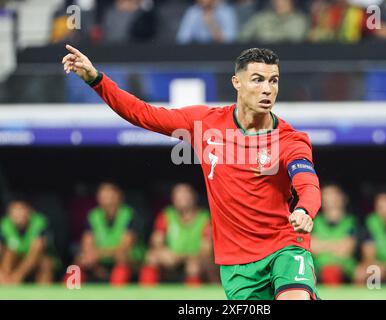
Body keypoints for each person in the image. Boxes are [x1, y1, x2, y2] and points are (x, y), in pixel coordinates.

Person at [61, 45, 322, 300]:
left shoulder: (290, 140)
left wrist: (304, 210)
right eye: (258, 80)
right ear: (236, 82)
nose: (267, 89)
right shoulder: (205, 122)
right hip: (238, 264)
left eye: (273, 81)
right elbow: (143, 113)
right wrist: (96, 80)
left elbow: (308, 184)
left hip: (286, 246)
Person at [139, 183, 212, 286]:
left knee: (193, 266)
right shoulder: (166, 215)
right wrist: (164, 251)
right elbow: (157, 241)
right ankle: (146, 294)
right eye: (178, 195)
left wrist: (181, 256)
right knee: (151, 257)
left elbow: (206, 250)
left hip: (195, 259)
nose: (182, 198)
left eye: (185, 194)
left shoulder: (204, 218)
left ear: (194, 197)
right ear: (173, 199)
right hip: (172, 258)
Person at [75, 182, 136, 285]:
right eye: (103, 196)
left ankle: (116, 292)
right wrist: (92, 258)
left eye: (110, 196)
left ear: (119, 197)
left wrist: (100, 254)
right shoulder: (93, 215)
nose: (107, 200)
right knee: (80, 260)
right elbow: (87, 244)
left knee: (122, 258)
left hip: (121, 259)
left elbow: (125, 246)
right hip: (99, 260)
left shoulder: (128, 214)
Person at [311, 184, 357, 285]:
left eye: (334, 196)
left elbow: (345, 250)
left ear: (343, 198)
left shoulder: (351, 222)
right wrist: (336, 245)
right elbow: (312, 247)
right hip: (318, 267)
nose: (331, 200)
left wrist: (322, 245)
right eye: (326, 196)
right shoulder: (314, 221)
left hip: (345, 268)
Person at [0, 199, 55, 284]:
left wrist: (18, 275)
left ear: (29, 211)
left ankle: (43, 295)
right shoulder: (4, 224)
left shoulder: (39, 222)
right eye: (15, 210)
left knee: (46, 263)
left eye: (21, 210)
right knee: (9, 253)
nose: (19, 214)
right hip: (14, 260)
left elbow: (39, 247)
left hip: (35, 260)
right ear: (9, 213)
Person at [239, 0, 309, 44]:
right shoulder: (262, 17)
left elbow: (295, 38)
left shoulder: (299, 20)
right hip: (261, 58)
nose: (280, 3)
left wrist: (267, 36)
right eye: (276, 1)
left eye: (284, 1)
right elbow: (243, 36)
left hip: (289, 58)